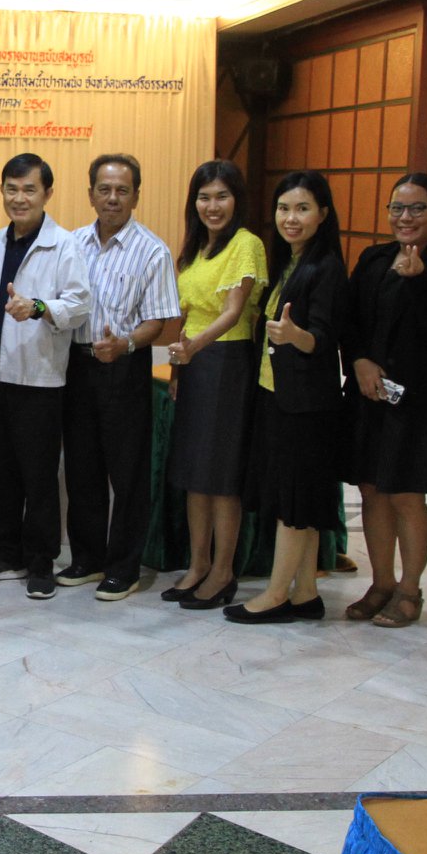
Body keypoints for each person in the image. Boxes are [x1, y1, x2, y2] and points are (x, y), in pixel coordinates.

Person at [343, 173, 427, 628]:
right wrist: (359, 360)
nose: (405, 217)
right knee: (371, 489)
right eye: (397, 208)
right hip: (368, 391)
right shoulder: (373, 258)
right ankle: (381, 584)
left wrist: (418, 282)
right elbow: (349, 319)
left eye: (417, 208)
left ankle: (410, 590)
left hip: (419, 397)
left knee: (406, 494)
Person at [0, 153, 92, 600]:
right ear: (2, 191)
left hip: (39, 381)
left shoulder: (65, 245)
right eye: (12, 189)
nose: (19, 198)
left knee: (38, 477)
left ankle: (40, 561)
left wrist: (37, 307)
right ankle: (5, 553)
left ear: (47, 194)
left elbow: (79, 305)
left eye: (29, 190)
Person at [227, 170, 349, 624]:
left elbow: (324, 337)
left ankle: (276, 595)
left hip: (306, 405)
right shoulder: (290, 262)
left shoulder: (326, 268)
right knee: (299, 502)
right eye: (283, 208)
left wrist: (297, 336)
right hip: (276, 396)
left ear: (323, 214)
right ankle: (306, 594)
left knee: (295, 504)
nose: (290, 218)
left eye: (302, 209)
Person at [61, 154, 179, 602]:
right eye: (104, 189)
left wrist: (125, 343)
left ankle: (124, 567)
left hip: (125, 366)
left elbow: (159, 321)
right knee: (82, 467)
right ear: (90, 193)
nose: (112, 198)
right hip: (76, 366)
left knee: (127, 472)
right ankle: (87, 558)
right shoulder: (72, 243)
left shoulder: (152, 250)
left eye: (122, 190)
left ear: (135, 196)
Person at [160, 160, 265, 611]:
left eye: (222, 196)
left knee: (221, 477)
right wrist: (179, 371)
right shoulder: (195, 249)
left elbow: (233, 312)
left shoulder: (247, 244)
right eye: (204, 197)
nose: (212, 206)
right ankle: (198, 564)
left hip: (228, 364)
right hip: (196, 365)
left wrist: (194, 349)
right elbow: (187, 318)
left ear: (237, 200)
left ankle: (223, 571)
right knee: (193, 474)